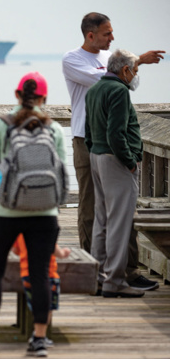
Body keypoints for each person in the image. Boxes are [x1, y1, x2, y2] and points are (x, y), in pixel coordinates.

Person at [62, 12, 163, 291]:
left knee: (118, 213)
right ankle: (94, 270)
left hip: (99, 144)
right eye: (107, 33)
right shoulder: (73, 59)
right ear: (90, 34)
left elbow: (122, 81)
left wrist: (131, 66)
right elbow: (106, 81)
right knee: (92, 207)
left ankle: (125, 270)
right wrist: (130, 161)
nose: (112, 37)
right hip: (88, 142)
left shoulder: (113, 64)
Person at [0, 72, 66, 357]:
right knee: (40, 274)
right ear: (44, 99)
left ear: (16, 95)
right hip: (45, 212)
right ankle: (39, 339)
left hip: (6, 211)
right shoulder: (55, 129)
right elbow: (60, 171)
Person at [85, 49, 147, 298]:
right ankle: (115, 281)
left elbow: (88, 129)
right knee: (120, 224)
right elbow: (116, 133)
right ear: (125, 70)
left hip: (97, 158)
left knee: (102, 221)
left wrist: (94, 152)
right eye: (135, 70)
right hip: (115, 161)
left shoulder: (94, 89)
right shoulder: (119, 91)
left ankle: (97, 278)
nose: (135, 76)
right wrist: (130, 162)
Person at [12, 234, 71, 347]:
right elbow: (53, 248)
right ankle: (40, 335)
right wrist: (63, 253)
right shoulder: (44, 229)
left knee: (34, 304)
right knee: (47, 306)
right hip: (48, 274)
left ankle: (36, 332)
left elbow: (15, 250)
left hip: (27, 273)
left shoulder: (20, 233)